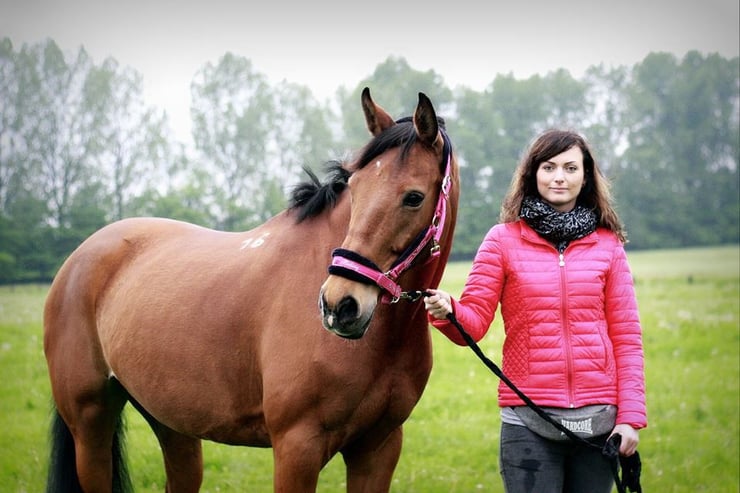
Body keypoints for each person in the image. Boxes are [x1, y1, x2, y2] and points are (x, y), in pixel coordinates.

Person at [424, 129, 647, 493]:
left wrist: (631, 418)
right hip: (527, 422)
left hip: (599, 425)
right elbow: (474, 325)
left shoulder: (608, 246)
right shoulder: (502, 240)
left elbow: (626, 338)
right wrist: (449, 311)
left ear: (586, 176)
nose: (559, 176)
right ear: (533, 174)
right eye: (549, 167)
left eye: (570, 168)